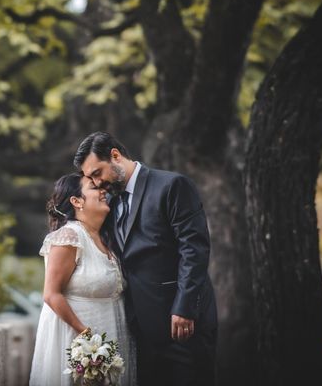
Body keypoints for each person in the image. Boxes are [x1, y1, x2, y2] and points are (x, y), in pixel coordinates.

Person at [74, 131, 217, 386]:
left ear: (115, 156)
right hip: (140, 331)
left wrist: (184, 307)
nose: (96, 183)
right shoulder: (112, 201)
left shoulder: (171, 186)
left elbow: (194, 249)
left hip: (181, 324)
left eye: (97, 173)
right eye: (90, 178)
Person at [29, 172, 136, 386]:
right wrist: (86, 335)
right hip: (78, 339)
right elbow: (51, 294)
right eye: (94, 187)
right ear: (77, 201)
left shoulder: (109, 239)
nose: (103, 191)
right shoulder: (69, 236)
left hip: (113, 333)